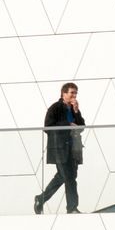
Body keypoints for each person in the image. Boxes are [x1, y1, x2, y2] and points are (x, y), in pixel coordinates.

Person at [35, 82, 87, 214]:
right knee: (69, 177)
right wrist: (68, 124)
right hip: (59, 149)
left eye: (76, 93)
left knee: (64, 176)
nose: (74, 96)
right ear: (64, 93)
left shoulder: (74, 109)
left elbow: (81, 127)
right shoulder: (55, 108)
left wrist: (76, 112)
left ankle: (41, 199)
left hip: (73, 148)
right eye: (72, 93)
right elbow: (48, 126)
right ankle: (72, 208)